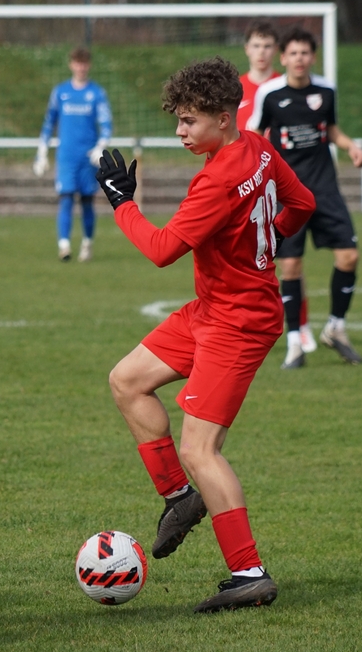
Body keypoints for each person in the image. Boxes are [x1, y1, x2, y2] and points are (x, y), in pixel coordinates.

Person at [96, 56, 314, 612]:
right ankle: (179, 498)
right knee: (127, 381)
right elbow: (301, 203)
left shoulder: (217, 179)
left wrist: (122, 204)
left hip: (238, 323)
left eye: (189, 120)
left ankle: (249, 573)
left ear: (222, 117)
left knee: (200, 447)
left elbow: (162, 249)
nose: (180, 130)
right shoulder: (259, 148)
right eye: (178, 118)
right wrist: (269, 244)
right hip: (213, 309)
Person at [248, 26, 362, 369]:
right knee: (290, 266)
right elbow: (256, 134)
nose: (299, 59)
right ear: (283, 58)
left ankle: (336, 327)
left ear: (313, 57)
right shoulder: (270, 94)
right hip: (287, 192)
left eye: (305, 53)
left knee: (349, 256)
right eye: (293, 53)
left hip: (324, 187)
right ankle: (294, 343)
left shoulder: (326, 90)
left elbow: (332, 130)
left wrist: (351, 147)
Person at [239, 21, 317, 356]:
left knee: (288, 261)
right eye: (256, 45)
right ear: (247, 49)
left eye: (268, 46)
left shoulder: (284, 86)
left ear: (277, 51)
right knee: (241, 261)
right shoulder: (234, 89)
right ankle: (246, 325)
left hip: (275, 187)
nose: (262, 52)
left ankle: (300, 325)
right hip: (240, 189)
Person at [33, 46, 112, 262]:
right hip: (66, 156)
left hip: (87, 157)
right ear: (71, 65)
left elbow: (106, 125)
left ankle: (87, 242)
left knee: (87, 200)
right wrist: (42, 152)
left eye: (84, 63)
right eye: (77, 63)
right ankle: (64, 246)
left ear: (89, 65)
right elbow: (49, 123)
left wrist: (100, 146)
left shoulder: (97, 94)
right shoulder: (60, 92)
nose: (81, 67)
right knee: (66, 197)